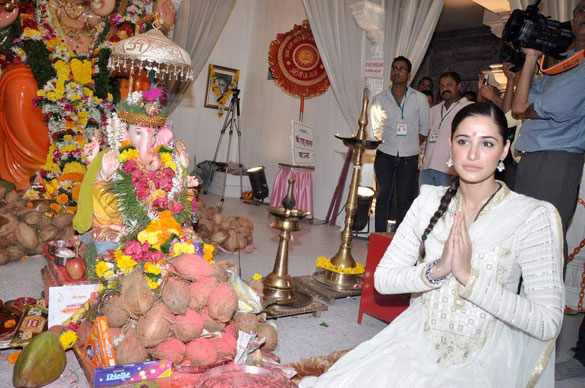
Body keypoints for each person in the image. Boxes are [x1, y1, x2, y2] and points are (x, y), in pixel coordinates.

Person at [299, 103, 564, 388]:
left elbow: (547, 321)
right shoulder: (428, 200)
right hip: (417, 338)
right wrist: (436, 270)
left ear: (504, 149)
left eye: (487, 143)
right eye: (463, 141)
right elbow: (384, 280)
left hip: (485, 354)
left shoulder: (531, 215)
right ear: (450, 147)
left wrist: (468, 277)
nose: (473, 154)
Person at [511, 0, 585, 380]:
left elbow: (523, 105)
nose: (577, 20)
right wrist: (526, 63)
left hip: (556, 160)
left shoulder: (583, 65)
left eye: (584, 14)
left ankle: (539, 346)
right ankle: (517, 331)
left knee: (544, 250)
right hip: (534, 158)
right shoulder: (566, 59)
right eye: (576, 13)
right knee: (521, 244)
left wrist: (529, 58)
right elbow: (517, 100)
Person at [370, 56, 430, 232]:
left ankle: (400, 240)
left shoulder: (419, 99)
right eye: (394, 68)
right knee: (382, 198)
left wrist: (407, 145)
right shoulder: (379, 98)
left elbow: (424, 129)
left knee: (404, 200)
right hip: (384, 155)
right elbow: (375, 129)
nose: (397, 71)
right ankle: (379, 236)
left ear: (409, 74)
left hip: (409, 157)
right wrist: (390, 143)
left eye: (402, 69)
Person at [421, 72, 472, 186]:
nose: (445, 89)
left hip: (449, 170)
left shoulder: (469, 107)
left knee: (447, 203)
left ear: (459, 86)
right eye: (442, 86)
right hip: (427, 168)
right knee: (426, 203)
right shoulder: (434, 109)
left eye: (449, 85)